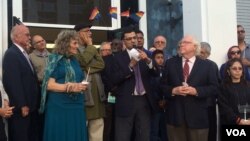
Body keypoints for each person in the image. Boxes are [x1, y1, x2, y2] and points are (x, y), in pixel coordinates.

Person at [161, 35, 219, 141]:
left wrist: (196, 91)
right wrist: (173, 90)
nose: (181, 44)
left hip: (198, 118)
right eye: (180, 43)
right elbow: (162, 86)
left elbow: (214, 88)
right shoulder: (170, 63)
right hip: (175, 118)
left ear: (195, 47)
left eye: (186, 42)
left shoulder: (207, 66)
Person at [39, 29, 88, 141]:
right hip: (59, 106)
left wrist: (81, 85)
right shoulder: (54, 60)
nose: (77, 46)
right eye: (74, 43)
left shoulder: (74, 60)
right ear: (65, 44)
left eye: (77, 43)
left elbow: (77, 80)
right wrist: (68, 87)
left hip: (77, 105)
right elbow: (49, 85)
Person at [111, 28, 157, 141]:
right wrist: (130, 66)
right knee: (123, 136)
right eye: (129, 39)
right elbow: (114, 79)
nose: (133, 40)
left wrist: (148, 61)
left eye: (134, 38)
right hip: (126, 101)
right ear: (123, 41)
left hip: (143, 100)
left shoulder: (144, 55)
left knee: (144, 135)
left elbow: (156, 73)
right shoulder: (117, 57)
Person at [2, 24, 41, 141]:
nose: (30, 37)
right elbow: (13, 82)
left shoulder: (24, 54)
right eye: (27, 35)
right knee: (21, 136)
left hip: (31, 108)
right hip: (21, 110)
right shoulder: (11, 54)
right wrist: (22, 104)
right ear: (17, 37)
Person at [74, 23, 106, 141]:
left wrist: (87, 66)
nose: (90, 33)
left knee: (97, 129)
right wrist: (91, 47)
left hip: (97, 97)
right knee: (81, 131)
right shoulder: (73, 48)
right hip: (83, 96)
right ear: (78, 34)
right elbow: (81, 62)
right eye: (87, 31)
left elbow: (101, 64)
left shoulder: (91, 48)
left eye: (90, 31)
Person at [218, 58, 250, 125]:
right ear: (228, 71)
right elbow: (224, 108)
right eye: (234, 68)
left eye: (240, 68)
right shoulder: (223, 87)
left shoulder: (248, 85)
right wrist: (238, 121)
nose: (238, 71)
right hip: (231, 123)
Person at [199, 42, 220, 141]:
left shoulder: (212, 65)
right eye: (199, 52)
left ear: (208, 54)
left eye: (203, 53)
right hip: (194, 105)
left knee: (210, 132)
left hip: (209, 105)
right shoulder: (190, 65)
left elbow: (217, 85)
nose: (200, 54)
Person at [150, 50, 167, 141]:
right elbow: (152, 88)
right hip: (154, 106)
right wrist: (158, 100)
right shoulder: (151, 72)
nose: (160, 60)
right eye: (158, 58)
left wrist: (165, 100)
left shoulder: (166, 71)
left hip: (165, 105)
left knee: (165, 130)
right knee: (154, 130)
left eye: (162, 57)